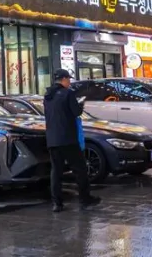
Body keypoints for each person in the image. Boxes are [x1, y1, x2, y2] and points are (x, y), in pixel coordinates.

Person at [43, 69, 100, 212]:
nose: (69, 81)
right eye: (68, 79)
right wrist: (80, 104)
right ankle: (85, 199)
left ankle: (57, 203)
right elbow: (76, 112)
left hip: (52, 139)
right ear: (63, 79)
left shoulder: (47, 96)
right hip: (68, 139)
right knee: (80, 169)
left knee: (56, 172)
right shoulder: (67, 93)